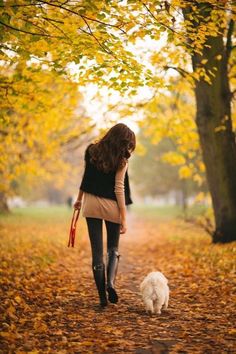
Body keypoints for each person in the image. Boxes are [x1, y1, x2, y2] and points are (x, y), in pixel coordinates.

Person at [74, 123, 136, 308]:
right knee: (113, 250)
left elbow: (86, 178)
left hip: (91, 206)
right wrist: (123, 218)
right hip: (112, 208)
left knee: (96, 254)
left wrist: (79, 200)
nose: (128, 148)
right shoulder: (122, 160)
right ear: (122, 141)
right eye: (128, 144)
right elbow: (119, 189)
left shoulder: (91, 150)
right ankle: (110, 283)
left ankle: (102, 297)